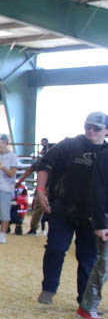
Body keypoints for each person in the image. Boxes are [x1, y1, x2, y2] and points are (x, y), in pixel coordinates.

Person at [34, 112, 107, 308]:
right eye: (88, 126)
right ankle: (49, 288)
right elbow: (45, 164)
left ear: (106, 131)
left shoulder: (106, 153)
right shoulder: (70, 144)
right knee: (56, 249)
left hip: (92, 214)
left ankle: (83, 298)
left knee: (88, 257)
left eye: (97, 128)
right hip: (62, 207)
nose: (91, 130)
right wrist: (41, 189)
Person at [81, 127, 108, 319]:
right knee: (104, 264)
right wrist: (100, 222)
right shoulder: (105, 156)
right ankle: (87, 307)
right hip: (105, 217)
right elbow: (98, 190)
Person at [26, 137, 52, 236]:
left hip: (47, 187)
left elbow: (30, 170)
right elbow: (30, 170)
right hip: (45, 187)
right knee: (40, 208)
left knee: (40, 208)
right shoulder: (42, 161)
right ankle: (35, 228)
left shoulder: (44, 160)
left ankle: (34, 228)